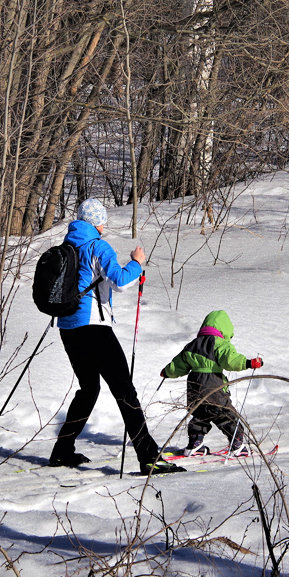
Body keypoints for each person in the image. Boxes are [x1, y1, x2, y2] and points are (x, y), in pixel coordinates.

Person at [49, 198, 183, 475]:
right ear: (99, 222)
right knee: (124, 391)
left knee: (89, 389)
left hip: (68, 327)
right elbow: (120, 281)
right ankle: (149, 458)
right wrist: (137, 263)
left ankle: (62, 452)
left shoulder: (68, 246)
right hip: (95, 328)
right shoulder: (97, 245)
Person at [160, 309, 263, 455]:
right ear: (225, 329)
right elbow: (230, 361)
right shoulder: (220, 344)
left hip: (195, 385)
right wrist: (248, 363)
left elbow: (178, 365)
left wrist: (167, 372)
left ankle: (194, 444)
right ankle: (237, 444)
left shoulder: (192, 345)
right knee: (224, 414)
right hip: (213, 384)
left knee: (200, 414)